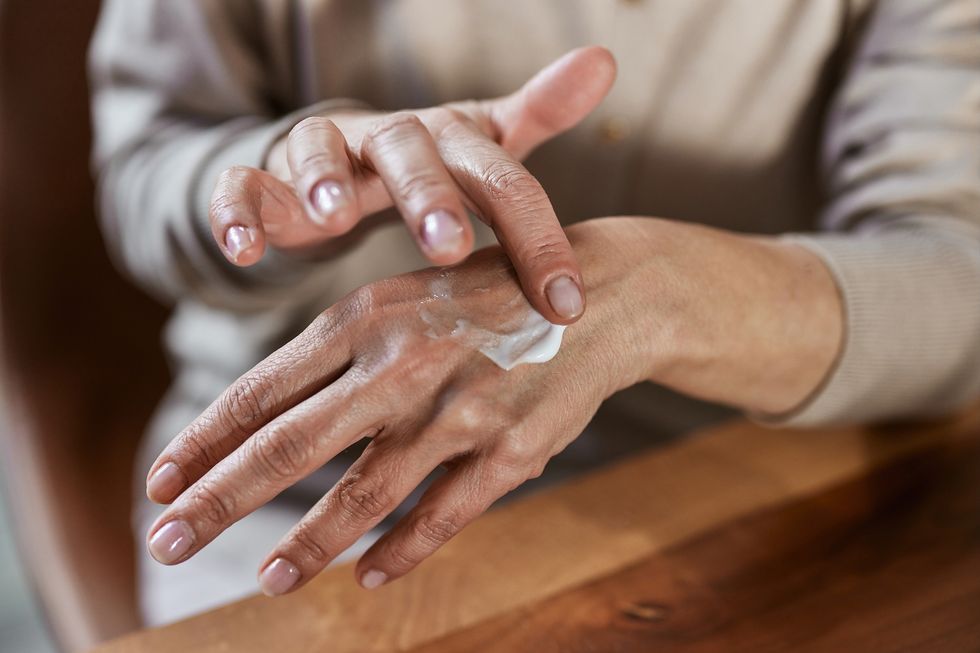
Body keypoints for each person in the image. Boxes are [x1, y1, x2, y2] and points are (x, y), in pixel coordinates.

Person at [90, 0, 980, 625]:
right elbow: (145, 161)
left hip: (729, 493)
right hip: (307, 500)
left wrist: (659, 295)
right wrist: (280, 186)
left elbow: (954, 279)